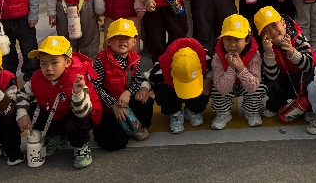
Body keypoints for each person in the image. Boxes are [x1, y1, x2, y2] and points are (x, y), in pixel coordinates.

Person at [15, 35, 102, 169]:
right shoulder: (37, 77)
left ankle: (81, 146)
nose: (48, 68)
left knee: (73, 122)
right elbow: (22, 93)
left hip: (80, 114)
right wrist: (22, 114)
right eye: (43, 63)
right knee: (32, 110)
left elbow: (82, 112)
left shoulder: (77, 79)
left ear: (67, 62)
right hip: (54, 112)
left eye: (54, 62)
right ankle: (57, 136)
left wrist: (77, 94)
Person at [92, 18, 153, 150]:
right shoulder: (101, 60)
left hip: (126, 101)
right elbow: (96, 86)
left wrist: (128, 92)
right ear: (109, 41)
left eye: (127, 37)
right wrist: (113, 105)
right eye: (117, 37)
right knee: (114, 143)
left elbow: (136, 80)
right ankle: (120, 127)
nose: (123, 41)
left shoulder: (135, 58)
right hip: (108, 107)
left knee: (146, 101)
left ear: (134, 41)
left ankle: (132, 126)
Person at [255, 5, 316, 122]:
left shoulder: (298, 38)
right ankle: (276, 104)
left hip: (302, 78)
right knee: (269, 80)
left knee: (312, 77)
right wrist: (269, 53)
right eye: (266, 30)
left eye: (274, 25)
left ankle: (310, 107)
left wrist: (292, 52)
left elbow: (309, 65)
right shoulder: (266, 48)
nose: (272, 31)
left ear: (283, 23)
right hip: (285, 81)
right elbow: (271, 76)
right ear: (262, 36)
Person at [210, 14, 267, 129]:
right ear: (222, 39)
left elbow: (253, 87)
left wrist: (240, 68)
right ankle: (223, 113)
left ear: (247, 39)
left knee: (259, 86)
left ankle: (252, 111)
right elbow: (222, 88)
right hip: (227, 84)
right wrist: (231, 68)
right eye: (228, 39)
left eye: (237, 39)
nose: (232, 44)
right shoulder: (218, 57)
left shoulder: (254, 55)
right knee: (216, 88)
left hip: (246, 85)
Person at [144, 37, 212, 134]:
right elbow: (146, 78)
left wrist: (208, 78)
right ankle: (175, 112)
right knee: (160, 89)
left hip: (197, 85)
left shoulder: (206, 58)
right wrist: (144, 88)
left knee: (210, 83)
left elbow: (214, 69)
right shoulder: (161, 67)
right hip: (172, 90)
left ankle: (192, 109)